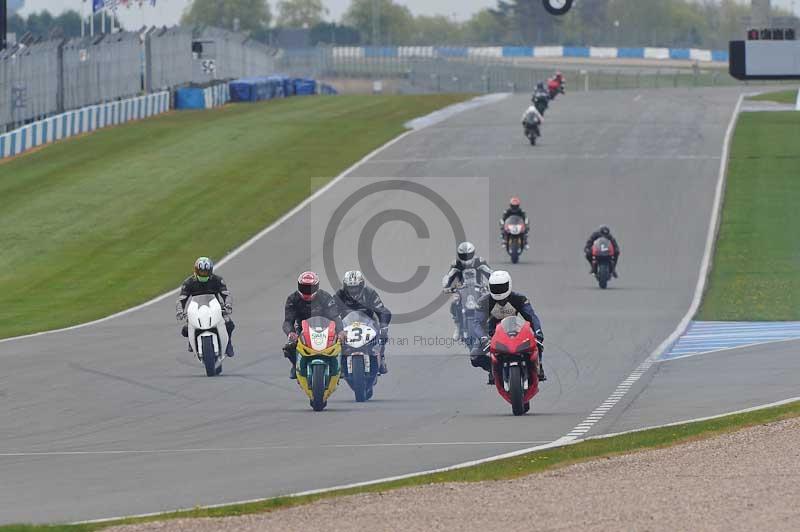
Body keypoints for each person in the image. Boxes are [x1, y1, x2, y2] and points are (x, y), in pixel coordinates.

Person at [470, 271, 545, 383]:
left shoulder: (519, 299)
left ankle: (538, 366)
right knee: (475, 356)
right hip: (492, 334)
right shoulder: (483, 302)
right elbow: (477, 323)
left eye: (501, 287)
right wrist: (484, 338)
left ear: (509, 285)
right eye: (495, 287)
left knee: (537, 343)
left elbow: (531, 316)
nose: (499, 291)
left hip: (517, 331)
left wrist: (538, 332)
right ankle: (492, 368)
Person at [282, 271, 344, 379]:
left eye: (310, 288)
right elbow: (288, 321)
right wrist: (291, 333)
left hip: (325, 328)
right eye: (304, 287)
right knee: (289, 347)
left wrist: (340, 331)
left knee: (342, 341)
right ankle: (295, 364)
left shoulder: (325, 297)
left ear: (317, 287)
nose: (307, 291)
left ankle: (339, 366)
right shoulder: (293, 299)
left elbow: (335, 317)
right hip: (302, 329)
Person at [334, 270, 392, 375]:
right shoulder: (340, 295)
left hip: (368, 323)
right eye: (350, 287)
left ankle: (381, 357)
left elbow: (382, 310)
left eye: (355, 287)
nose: (353, 290)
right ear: (345, 286)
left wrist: (384, 327)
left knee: (382, 335)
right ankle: (339, 362)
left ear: (362, 285)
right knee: (334, 337)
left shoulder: (370, 293)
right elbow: (332, 312)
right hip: (346, 324)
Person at [176, 257, 235, 357]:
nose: (203, 273)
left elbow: (226, 294)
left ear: (210, 271)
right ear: (196, 270)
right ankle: (191, 342)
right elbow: (182, 299)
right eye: (201, 271)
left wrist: (228, 305)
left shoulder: (217, 280)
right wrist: (180, 310)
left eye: (205, 272)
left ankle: (228, 343)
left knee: (229, 323)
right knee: (185, 329)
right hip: (196, 308)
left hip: (215, 307)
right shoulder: (189, 282)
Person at [442, 242, 494, 341]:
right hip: (461, 290)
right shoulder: (456, 264)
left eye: (468, 255)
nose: (466, 259)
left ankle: (490, 325)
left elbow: (490, 273)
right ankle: (457, 326)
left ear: (473, 254)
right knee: (454, 303)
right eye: (463, 256)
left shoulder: (480, 262)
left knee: (489, 303)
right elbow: (448, 276)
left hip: (480, 288)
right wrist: (446, 286)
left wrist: (492, 283)